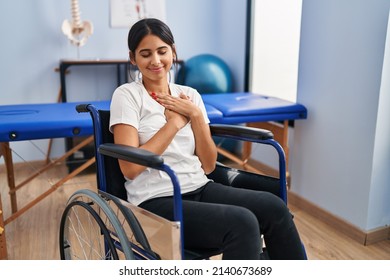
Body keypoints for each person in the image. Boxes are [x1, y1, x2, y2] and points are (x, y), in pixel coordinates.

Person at [109, 18, 306, 260]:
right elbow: (130, 168)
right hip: (155, 200)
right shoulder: (127, 95)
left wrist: (194, 115)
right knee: (243, 223)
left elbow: (209, 165)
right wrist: (174, 124)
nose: (156, 61)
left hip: (199, 186)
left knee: (273, 207)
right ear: (133, 58)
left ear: (173, 51)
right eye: (146, 54)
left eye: (162, 51)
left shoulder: (190, 96)